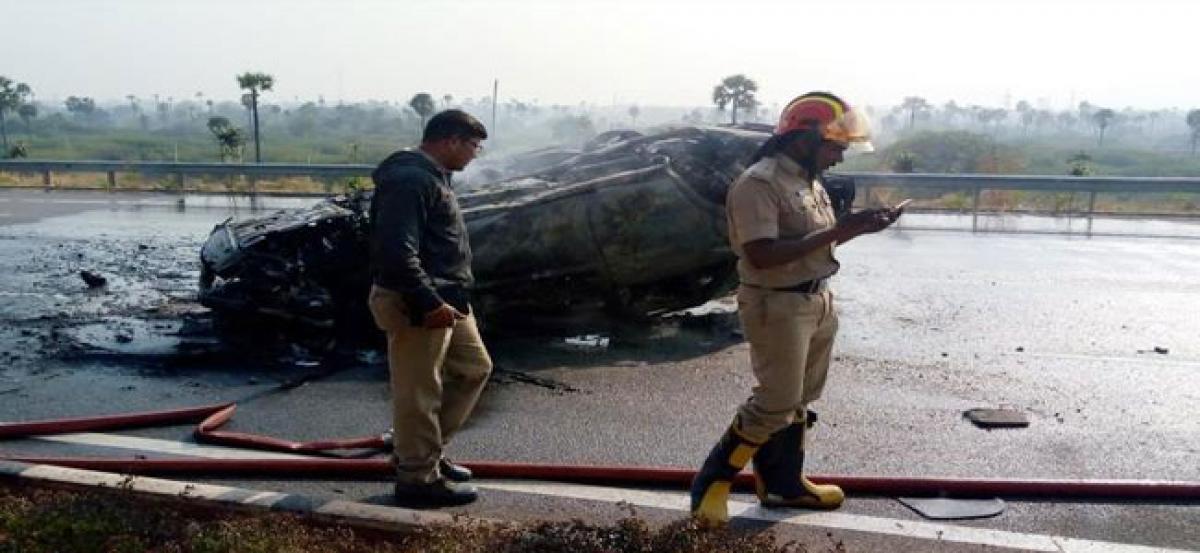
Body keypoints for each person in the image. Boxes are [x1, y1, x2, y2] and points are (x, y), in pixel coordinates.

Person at [690, 92, 903, 524]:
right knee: (775, 400)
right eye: (834, 146)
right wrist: (838, 231)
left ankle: (784, 486)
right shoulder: (759, 183)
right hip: (778, 303)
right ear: (803, 138)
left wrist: (859, 228)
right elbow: (763, 254)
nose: (840, 157)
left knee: (801, 399)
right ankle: (711, 485)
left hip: (816, 298)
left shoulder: (808, 180)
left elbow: (812, 242)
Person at [367, 109, 493, 508]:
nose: (475, 155)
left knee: (475, 369)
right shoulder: (410, 180)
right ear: (449, 141)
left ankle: (423, 452)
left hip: (449, 300)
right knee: (419, 392)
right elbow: (395, 253)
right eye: (472, 146)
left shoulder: (433, 177)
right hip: (419, 302)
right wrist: (428, 301)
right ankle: (417, 479)